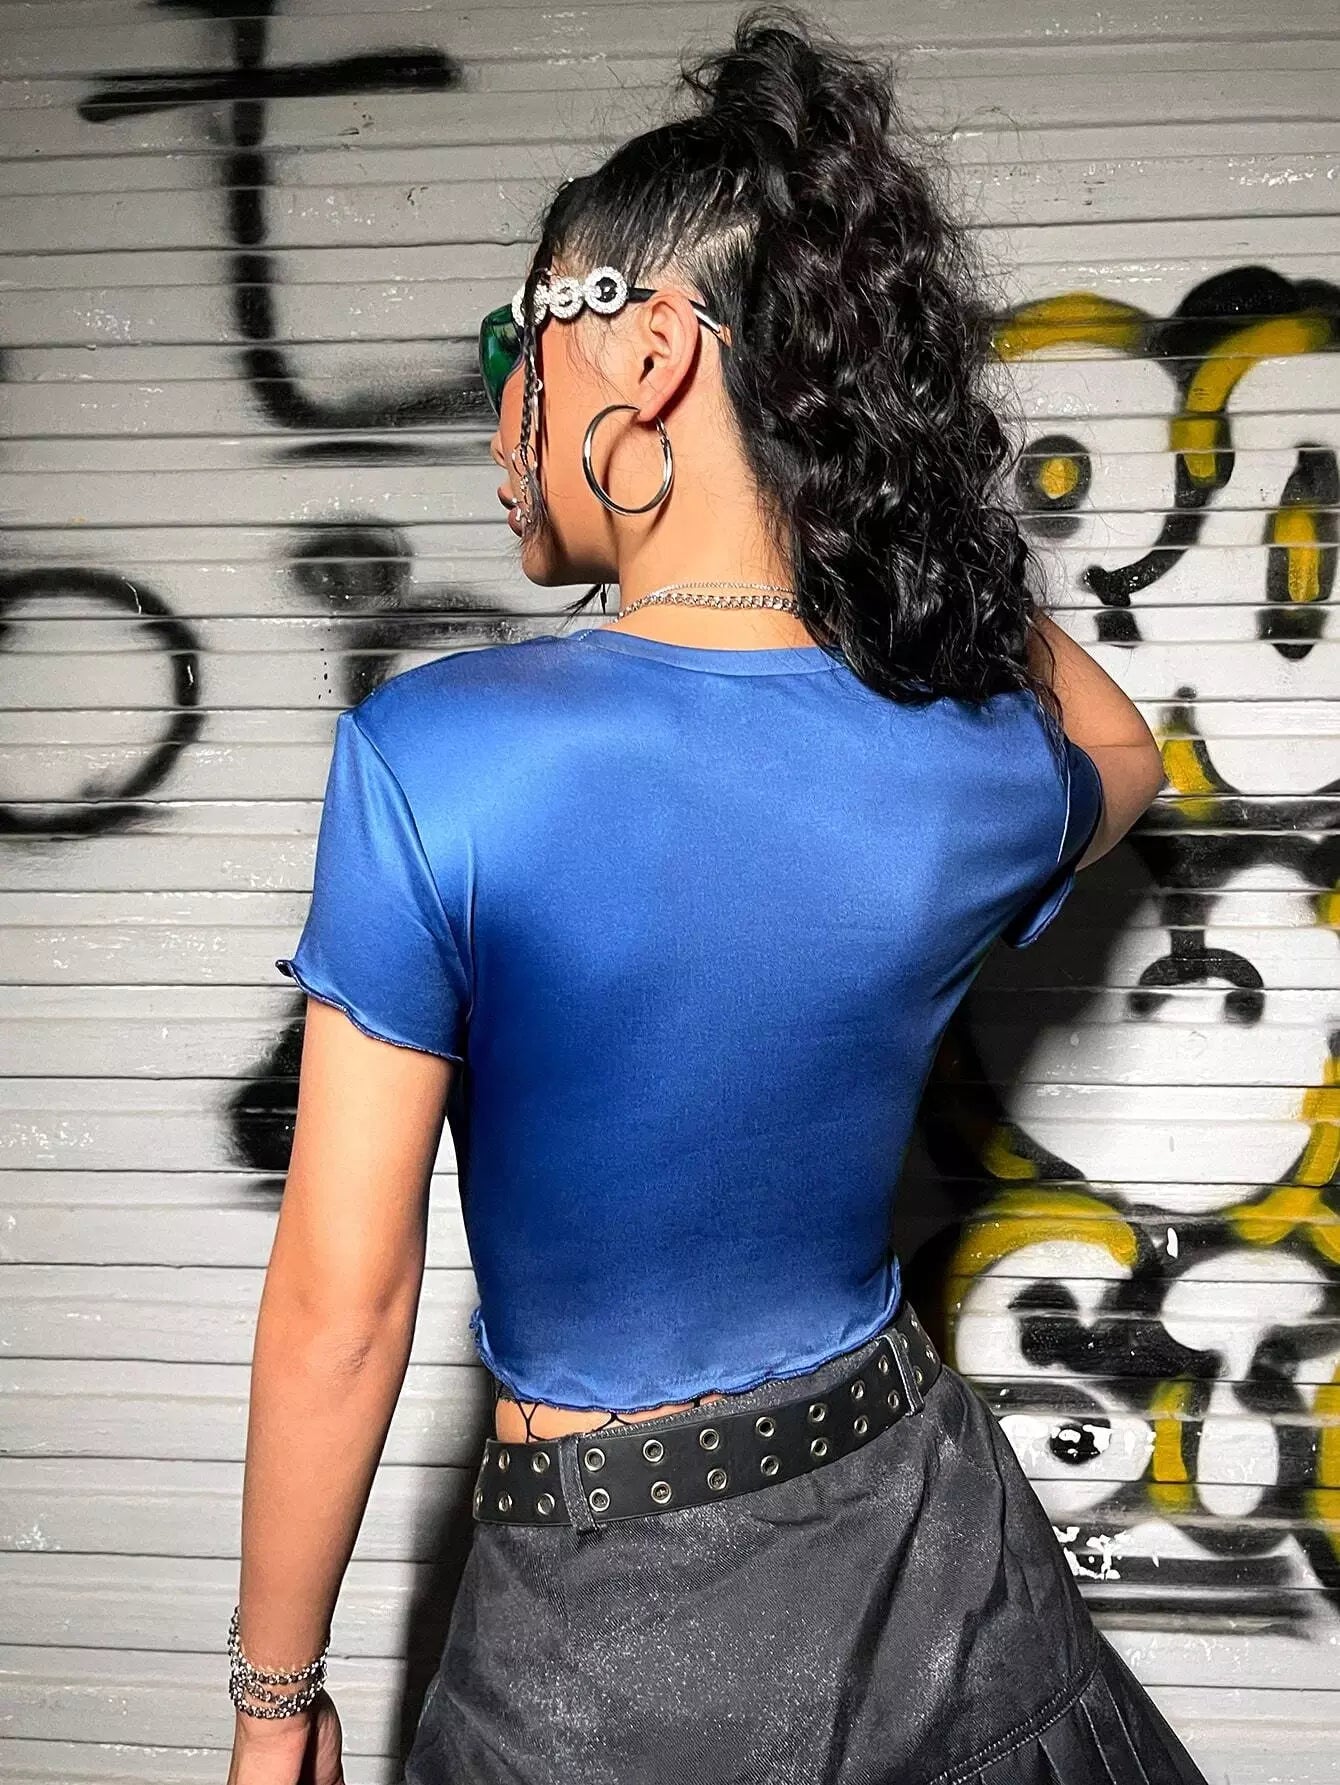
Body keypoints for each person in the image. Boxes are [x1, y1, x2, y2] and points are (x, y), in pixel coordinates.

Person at [225, 8, 1209, 1784]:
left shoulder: (434, 756)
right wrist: (911, 523)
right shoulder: (964, 766)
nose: (500, 406)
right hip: (943, 1577)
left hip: (600, 1654)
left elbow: (341, 1307)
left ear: (654, 352)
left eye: (517, 340)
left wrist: (271, 1701)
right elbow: (1121, 747)